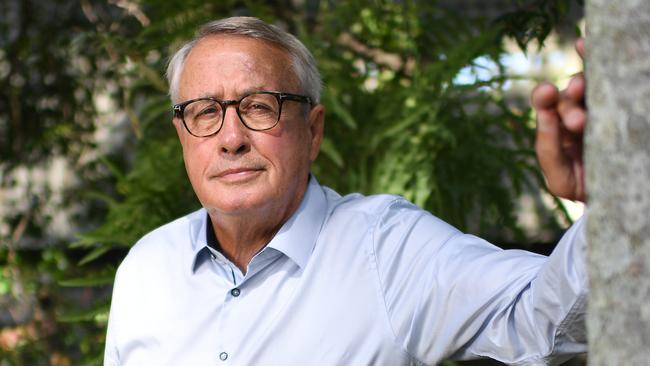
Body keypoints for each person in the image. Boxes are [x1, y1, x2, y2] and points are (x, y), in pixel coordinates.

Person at [104, 17, 588, 365]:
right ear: (182, 137)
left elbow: (542, 323)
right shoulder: (146, 269)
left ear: (313, 131)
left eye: (258, 106)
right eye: (206, 112)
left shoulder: (387, 249)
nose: (231, 139)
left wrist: (613, 204)